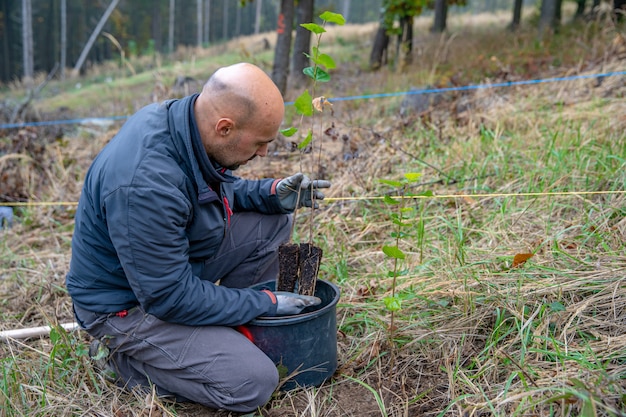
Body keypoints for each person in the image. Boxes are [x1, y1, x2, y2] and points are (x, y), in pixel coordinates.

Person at [65, 62, 331, 412]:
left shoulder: (189, 124)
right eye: (261, 143)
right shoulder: (146, 184)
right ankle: (120, 360)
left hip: (169, 270)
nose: (265, 153)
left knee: (272, 222)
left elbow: (213, 186)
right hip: (126, 306)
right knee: (252, 383)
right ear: (225, 127)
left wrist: (270, 193)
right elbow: (168, 297)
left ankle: (226, 336)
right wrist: (265, 302)